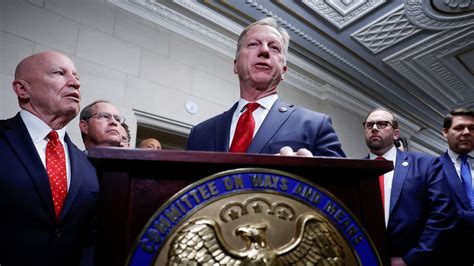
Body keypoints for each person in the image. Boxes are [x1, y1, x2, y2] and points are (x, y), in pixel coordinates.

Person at [186, 17, 344, 157]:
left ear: (283, 71)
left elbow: (345, 187)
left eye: (274, 47)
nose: (264, 50)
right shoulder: (200, 133)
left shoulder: (315, 125)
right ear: (236, 65)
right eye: (254, 44)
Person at [0, 51, 99, 265]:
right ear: (22, 89)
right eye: (59, 73)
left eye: (77, 77)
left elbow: (90, 237)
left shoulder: (87, 164)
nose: (75, 84)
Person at [363, 108, 456, 266]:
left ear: (396, 134)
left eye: (382, 124)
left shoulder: (426, 165)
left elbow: (443, 215)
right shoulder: (356, 171)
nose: (374, 128)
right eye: (369, 125)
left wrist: (411, 258)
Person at [438, 108, 474, 265]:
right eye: (459, 128)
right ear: (445, 132)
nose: (466, 132)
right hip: (451, 257)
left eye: (472, 128)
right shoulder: (431, 169)